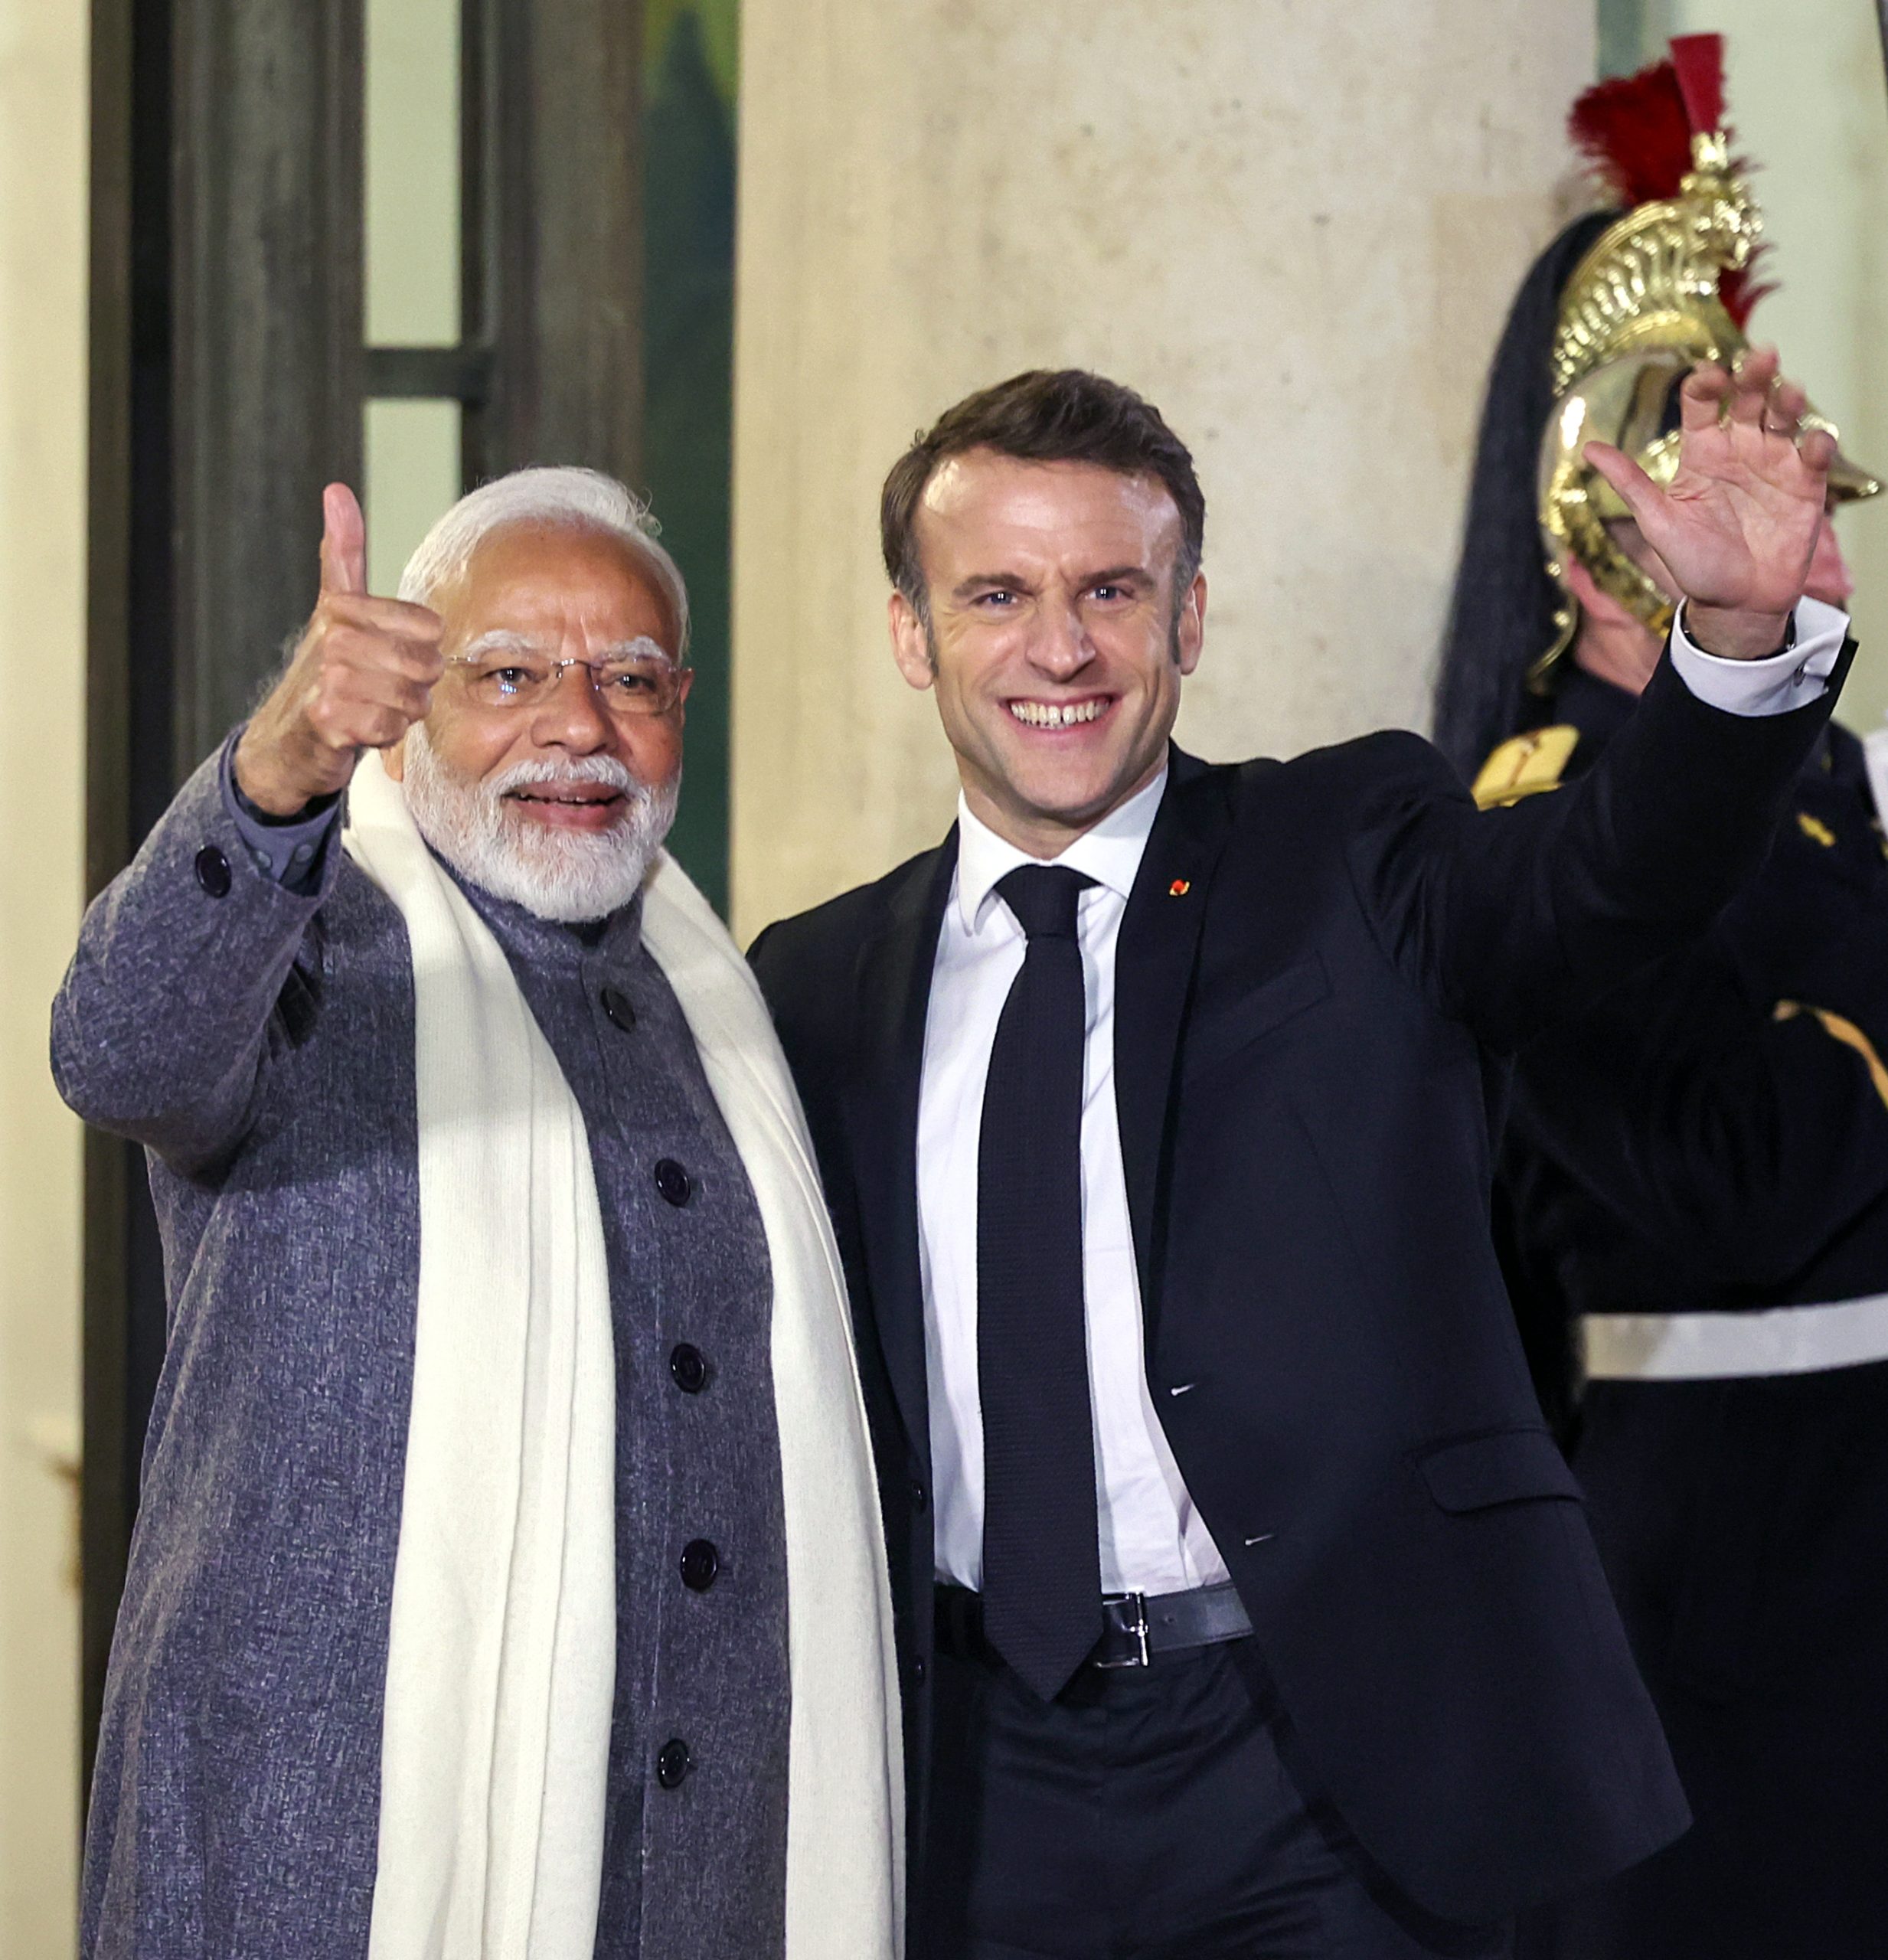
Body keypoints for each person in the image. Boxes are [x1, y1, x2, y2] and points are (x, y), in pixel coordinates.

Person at [746, 339, 1853, 1960]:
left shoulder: (1349, 851)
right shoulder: (815, 980)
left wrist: (1738, 641)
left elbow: (1611, 883)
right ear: (911, 634)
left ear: (1187, 618)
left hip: (1321, 1757)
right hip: (973, 1769)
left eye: (1113, 590)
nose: (1061, 646)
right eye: (996, 595)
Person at [54, 469, 901, 1960]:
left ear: (682, 705)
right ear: (412, 702)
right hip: (325, 1859)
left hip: (702, 1875)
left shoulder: (730, 1005)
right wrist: (283, 762)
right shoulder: (309, 950)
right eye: (508, 673)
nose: (577, 726)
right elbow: (114, 1047)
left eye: (628, 678)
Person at [1433, 39, 1888, 1960]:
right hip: (1703, 1562)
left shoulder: (1836, 775)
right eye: (1676, 430)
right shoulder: (1533, 810)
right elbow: (1731, 1180)